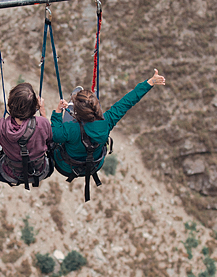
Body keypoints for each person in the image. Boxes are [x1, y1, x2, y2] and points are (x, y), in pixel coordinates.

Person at [51, 68, 166, 198]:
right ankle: (73, 108)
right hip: (94, 165)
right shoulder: (107, 121)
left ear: (77, 113)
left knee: (56, 139)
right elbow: (127, 102)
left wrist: (57, 113)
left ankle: (70, 108)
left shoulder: (69, 129)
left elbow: (54, 134)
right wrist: (150, 82)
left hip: (66, 167)